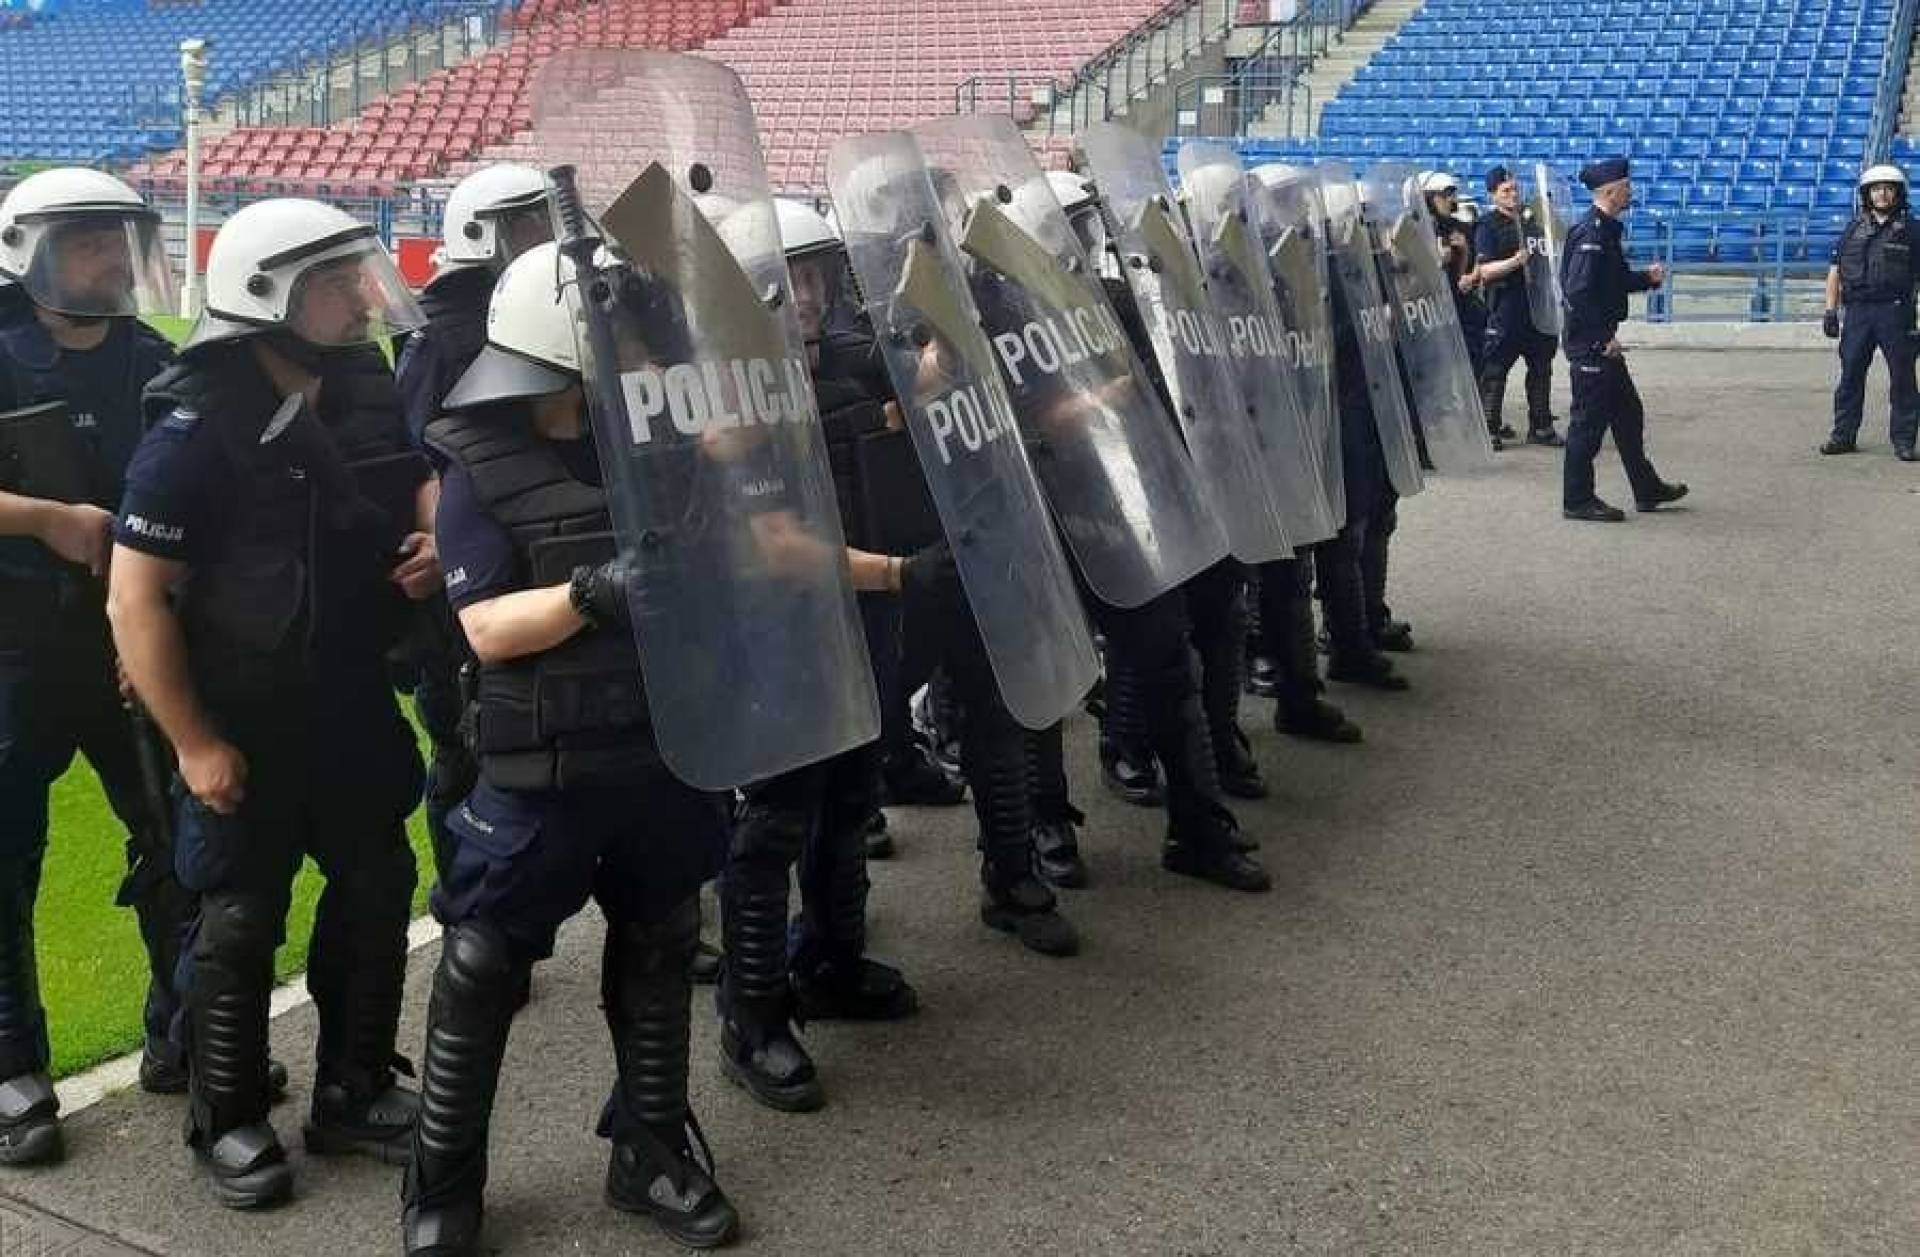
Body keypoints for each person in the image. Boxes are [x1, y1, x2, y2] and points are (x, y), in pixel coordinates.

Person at [400, 242, 738, 1254]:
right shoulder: (474, 462)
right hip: (540, 764)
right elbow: (487, 629)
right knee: (481, 961)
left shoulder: (649, 440)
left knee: (662, 942)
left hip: (660, 746)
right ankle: (443, 1184)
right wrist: (594, 594)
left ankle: (650, 1152)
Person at [108, 199, 435, 1206]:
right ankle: (230, 1119)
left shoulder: (353, 395)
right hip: (239, 714)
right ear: (266, 299)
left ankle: (354, 1085)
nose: (358, 299)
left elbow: (408, 481)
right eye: (332, 283)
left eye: (354, 275)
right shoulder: (191, 437)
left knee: (376, 882)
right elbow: (137, 599)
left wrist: (429, 547)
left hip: (345, 698)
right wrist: (196, 743)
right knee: (241, 919)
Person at [0, 168, 193, 1164]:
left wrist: (149, 628)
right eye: (87, 243)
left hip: (131, 649)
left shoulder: (155, 361)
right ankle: (12, 1072)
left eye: (121, 241)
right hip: (17, 650)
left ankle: (184, 1028)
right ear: (29, 250)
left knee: (173, 840)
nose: (113, 261)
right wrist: (46, 519)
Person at [711, 200, 918, 1115]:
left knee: (848, 801)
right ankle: (752, 1016)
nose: (805, 296)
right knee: (773, 824)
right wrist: (901, 574)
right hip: (777, 633)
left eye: (815, 277)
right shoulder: (719, 402)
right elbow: (766, 541)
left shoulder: (843, 372)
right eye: (785, 279)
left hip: (859, 624)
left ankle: (831, 958)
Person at [394, 164, 552, 884]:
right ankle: (465, 905)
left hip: (540, 553)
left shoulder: (548, 310)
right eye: (527, 223)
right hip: (467, 573)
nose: (545, 237)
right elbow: (415, 455)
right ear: (481, 234)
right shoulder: (440, 333)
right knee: (464, 747)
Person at [1559, 157, 1689, 522]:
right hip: (1592, 345)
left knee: (1629, 415)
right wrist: (1601, 340)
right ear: (1611, 191)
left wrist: (1645, 279)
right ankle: (1577, 500)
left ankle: (1646, 488)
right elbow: (1579, 291)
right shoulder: (1593, 233)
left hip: (1601, 343)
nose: (1631, 191)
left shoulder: (1605, 230)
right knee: (1587, 424)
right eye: (1626, 186)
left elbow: (1608, 282)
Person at [1819, 164, 1919, 460]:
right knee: (1850, 375)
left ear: (1898, 193)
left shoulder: (1913, 230)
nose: (1882, 194)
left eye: (1889, 188)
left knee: (1902, 378)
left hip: (1896, 312)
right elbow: (1835, 271)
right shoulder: (1853, 228)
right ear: (1867, 194)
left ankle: (1904, 441)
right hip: (1858, 312)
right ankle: (1843, 436)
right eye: (1876, 189)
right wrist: (1830, 311)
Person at [1475, 166, 1564, 448]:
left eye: (1515, 189)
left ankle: (1541, 425)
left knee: (1541, 366)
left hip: (1538, 303)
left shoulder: (1535, 219)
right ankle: (1489, 428)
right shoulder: (1488, 225)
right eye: (1505, 191)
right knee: (1496, 369)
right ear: (1493, 195)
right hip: (1507, 305)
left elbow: (1559, 245)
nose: (1513, 195)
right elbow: (1484, 270)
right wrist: (1514, 262)